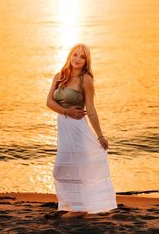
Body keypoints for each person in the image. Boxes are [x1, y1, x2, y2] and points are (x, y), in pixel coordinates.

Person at [46, 43, 118, 218]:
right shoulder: (59, 76)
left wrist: (100, 135)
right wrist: (66, 112)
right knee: (61, 170)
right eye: (75, 55)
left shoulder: (85, 80)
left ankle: (79, 209)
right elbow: (49, 102)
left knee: (78, 167)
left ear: (86, 61)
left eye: (82, 56)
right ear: (70, 56)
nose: (77, 59)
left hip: (78, 129)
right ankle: (77, 206)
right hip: (64, 128)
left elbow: (91, 109)